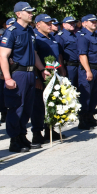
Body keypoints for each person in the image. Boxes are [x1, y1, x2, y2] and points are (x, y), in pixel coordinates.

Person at [0, 2, 44, 153]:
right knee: (16, 107)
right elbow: (3, 56)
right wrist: (7, 78)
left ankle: (22, 135)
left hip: (30, 73)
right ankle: (14, 139)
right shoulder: (11, 31)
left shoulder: (30, 31)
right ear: (18, 14)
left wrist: (42, 69)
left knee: (27, 108)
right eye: (28, 12)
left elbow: (34, 54)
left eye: (32, 12)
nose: (31, 14)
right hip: (18, 73)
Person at [31, 14, 60, 147]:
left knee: (51, 103)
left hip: (53, 75)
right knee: (38, 106)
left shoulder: (52, 37)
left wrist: (61, 71)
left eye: (51, 23)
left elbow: (56, 57)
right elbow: (34, 59)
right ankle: (37, 133)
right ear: (38, 25)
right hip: (41, 77)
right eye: (47, 23)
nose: (50, 25)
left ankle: (50, 129)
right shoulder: (35, 38)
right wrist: (37, 77)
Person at [76, 14, 97, 129]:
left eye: (95, 21)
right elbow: (82, 55)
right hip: (88, 69)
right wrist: (88, 71)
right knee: (85, 95)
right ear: (85, 23)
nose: (94, 23)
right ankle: (83, 119)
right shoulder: (83, 36)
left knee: (95, 95)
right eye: (91, 21)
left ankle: (90, 116)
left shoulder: (96, 36)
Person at [56, 17, 80, 85]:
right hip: (69, 67)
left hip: (78, 66)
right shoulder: (60, 36)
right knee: (69, 88)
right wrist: (62, 69)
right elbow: (59, 54)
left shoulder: (75, 36)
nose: (72, 25)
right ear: (64, 24)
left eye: (73, 23)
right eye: (70, 23)